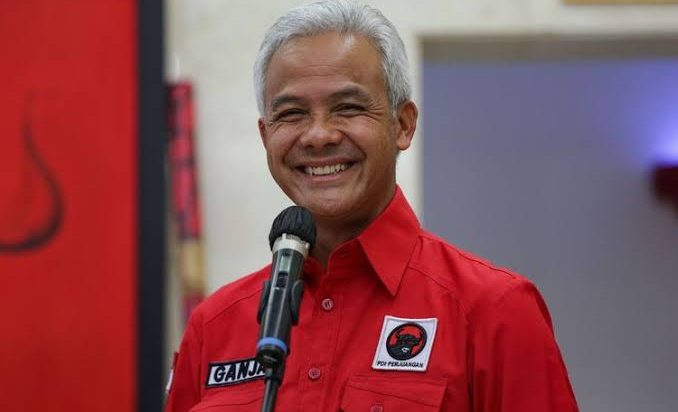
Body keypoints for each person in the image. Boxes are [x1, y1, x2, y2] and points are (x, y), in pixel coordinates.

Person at [165, 1, 579, 411]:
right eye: (292, 114)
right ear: (265, 136)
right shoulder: (214, 325)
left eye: (348, 108)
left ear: (403, 125)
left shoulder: (494, 310)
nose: (319, 135)